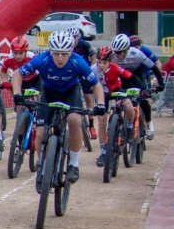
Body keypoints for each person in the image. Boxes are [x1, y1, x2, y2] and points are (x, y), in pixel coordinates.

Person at [11, 30, 105, 183]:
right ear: (50, 52)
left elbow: (96, 85)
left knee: (75, 121)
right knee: (40, 132)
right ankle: (42, 163)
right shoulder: (42, 60)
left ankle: (73, 164)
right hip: (49, 93)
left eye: (64, 54)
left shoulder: (78, 61)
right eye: (56, 53)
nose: (60, 58)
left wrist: (100, 104)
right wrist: (16, 94)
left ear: (70, 52)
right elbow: (18, 74)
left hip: (70, 92)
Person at [110, 33, 162, 139]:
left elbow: (154, 68)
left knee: (143, 100)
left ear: (127, 49)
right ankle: (118, 123)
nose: (117, 55)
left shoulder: (137, 54)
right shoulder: (112, 57)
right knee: (119, 99)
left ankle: (148, 122)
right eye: (116, 52)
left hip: (137, 75)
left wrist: (161, 83)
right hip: (122, 77)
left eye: (120, 52)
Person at [94, 45, 134, 166]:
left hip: (117, 91)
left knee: (128, 105)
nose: (101, 65)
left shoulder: (116, 68)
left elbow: (130, 77)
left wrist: (138, 89)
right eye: (99, 62)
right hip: (103, 94)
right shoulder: (93, 69)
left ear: (110, 62)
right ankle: (103, 152)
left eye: (104, 62)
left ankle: (130, 128)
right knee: (101, 121)